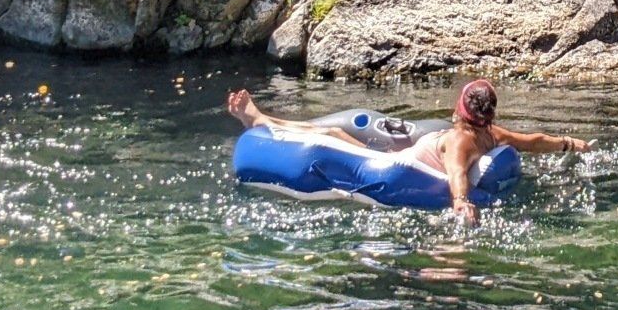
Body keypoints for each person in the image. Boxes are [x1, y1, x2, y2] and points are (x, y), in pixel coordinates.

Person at [227, 80, 591, 224]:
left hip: (394, 172)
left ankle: (258, 120)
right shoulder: (492, 134)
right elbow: (532, 141)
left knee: (331, 135)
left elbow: (456, 171)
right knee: (340, 131)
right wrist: (569, 144)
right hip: (397, 162)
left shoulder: (460, 139)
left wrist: (461, 202)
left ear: (461, 110)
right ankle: (261, 119)